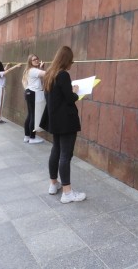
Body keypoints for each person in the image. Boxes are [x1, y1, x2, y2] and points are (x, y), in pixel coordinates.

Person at [40, 46, 86, 204]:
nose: (71, 64)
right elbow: (69, 98)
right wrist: (75, 91)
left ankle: (53, 184)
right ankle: (67, 192)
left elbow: (53, 97)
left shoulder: (49, 75)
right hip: (66, 120)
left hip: (54, 119)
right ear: (66, 60)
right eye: (71, 61)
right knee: (66, 155)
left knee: (56, 150)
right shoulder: (63, 75)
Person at [22, 54, 45, 144]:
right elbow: (45, 74)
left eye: (37, 59)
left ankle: (27, 136)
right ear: (30, 62)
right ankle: (32, 137)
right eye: (33, 60)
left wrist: (40, 67)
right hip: (33, 93)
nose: (36, 60)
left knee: (30, 115)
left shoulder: (28, 70)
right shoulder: (33, 70)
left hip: (29, 92)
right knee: (33, 116)